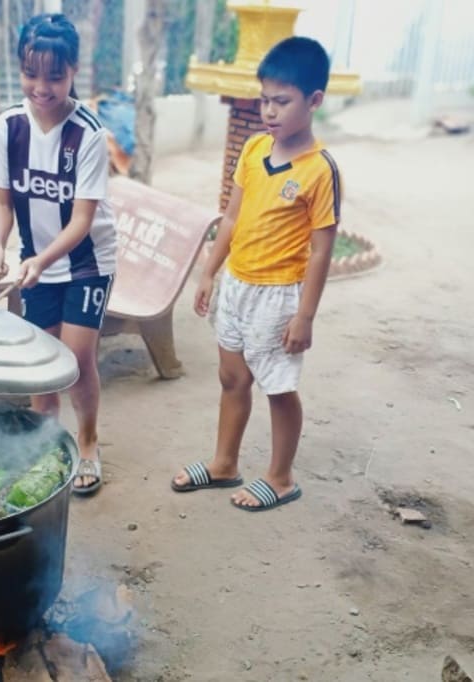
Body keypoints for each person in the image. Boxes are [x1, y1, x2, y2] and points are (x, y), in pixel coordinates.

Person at [170, 36, 341, 511]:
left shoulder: (320, 171)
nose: (269, 111)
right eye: (264, 100)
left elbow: (322, 250)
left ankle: (281, 477)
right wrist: (209, 274)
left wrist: (304, 316)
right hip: (238, 287)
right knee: (232, 378)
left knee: (279, 386)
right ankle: (224, 464)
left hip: (278, 296)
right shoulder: (252, 149)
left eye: (281, 102)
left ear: (314, 101)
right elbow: (231, 217)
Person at [0, 13, 116, 495]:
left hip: (86, 262)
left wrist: (41, 261)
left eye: (54, 76)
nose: (41, 87)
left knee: (76, 358)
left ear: (73, 71)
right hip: (35, 261)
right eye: (31, 74)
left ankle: (87, 442)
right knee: (42, 358)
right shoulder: (8, 127)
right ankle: (44, 443)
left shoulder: (88, 134)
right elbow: (0, 200)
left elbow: (82, 221)